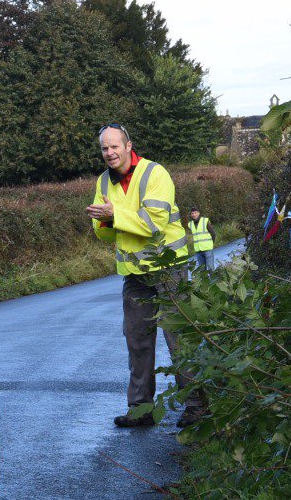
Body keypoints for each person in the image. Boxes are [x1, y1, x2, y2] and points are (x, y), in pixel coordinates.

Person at [86, 125, 196, 427]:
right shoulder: (103, 181)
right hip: (134, 276)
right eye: (104, 149)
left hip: (169, 268)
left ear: (128, 145)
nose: (109, 153)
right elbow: (104, 234)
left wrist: (113, 216)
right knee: (136, 342)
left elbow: (154, 223)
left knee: (180, 341)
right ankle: (140, 411)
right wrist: (106, 223)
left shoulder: (154, 173)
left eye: (114, 147)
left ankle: (199, 408)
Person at [186, 206, 216, 271]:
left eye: (195, 213)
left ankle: (214, 281)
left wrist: (211, 243)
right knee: (202, 270)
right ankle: (205, 281)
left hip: (207, 249)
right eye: (192, 213)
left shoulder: (205, 221)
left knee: (211, 268)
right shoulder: (190, 224)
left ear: (199, 213)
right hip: (198, 251)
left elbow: (213, 234)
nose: (194, 215)